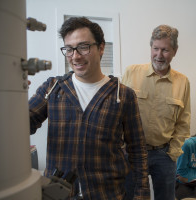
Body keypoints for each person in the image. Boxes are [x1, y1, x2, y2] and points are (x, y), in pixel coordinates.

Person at [29, 17, 150, 200]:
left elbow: (138, 151)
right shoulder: (53, 88)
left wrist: (141, 195)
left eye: (83, 47)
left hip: (107, 194)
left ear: (101, 48)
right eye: (69, 49)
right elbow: (23, 124)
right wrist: (9, 98)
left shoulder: (123, 95)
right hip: (58, 195)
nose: (75, 56)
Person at [122, 24, 191, 200]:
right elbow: (117, 112)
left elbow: (184, 122)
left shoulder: (183, 82)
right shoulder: (131, 72)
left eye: (165, 50)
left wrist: (173, 152)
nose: (159, 55)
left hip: (164, 155)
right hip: (133, 152)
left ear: (175, 51)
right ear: (151, 47)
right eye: (156, 49)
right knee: (130, 197)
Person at [175, 135, 196, 200]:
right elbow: (182, 172)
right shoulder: (188, 145)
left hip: (188, 179)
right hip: (182, 183)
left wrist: (188, 175)